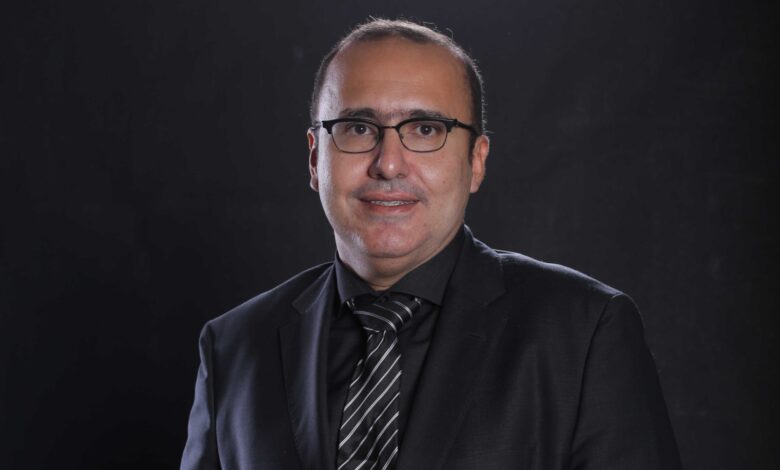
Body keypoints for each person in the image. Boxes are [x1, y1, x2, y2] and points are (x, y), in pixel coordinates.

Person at [181, 18, 681, 470]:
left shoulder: (585, 333)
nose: (388, 163)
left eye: (425, 129)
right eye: (358, 128)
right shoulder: (234, 349)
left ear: (476, 161)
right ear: (315, 159)